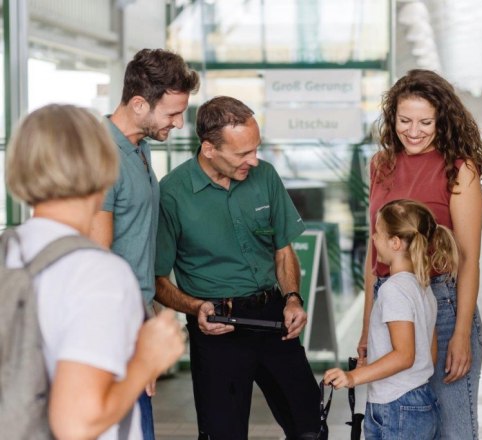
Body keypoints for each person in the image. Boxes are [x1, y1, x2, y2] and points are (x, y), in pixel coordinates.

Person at [4, 104, 184, 439]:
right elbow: (78, 423)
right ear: (103, 166)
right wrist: (147, 359)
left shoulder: (7, 252)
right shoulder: (99, 273)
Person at [154, 96, 320, 440]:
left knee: (310, 426)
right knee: (223, 434)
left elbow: (283, 249)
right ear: (209, 149)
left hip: (274, 319)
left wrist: (293, 298)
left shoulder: (265, 177)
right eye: (242, 153)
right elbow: (156, 279)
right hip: (216, 327)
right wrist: (196, 308)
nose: (254, 160)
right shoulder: (171, 194)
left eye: (256, 149)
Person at [358, 69, 482, 439]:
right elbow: (376, 254)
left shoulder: (459, 170)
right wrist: (367, 328)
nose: (413, 131)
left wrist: (461, 333)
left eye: (425, 122)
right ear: (392, 119)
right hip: (390, 307)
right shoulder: (380, 165)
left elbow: (468, 260)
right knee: (405, 424)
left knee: (453, 430)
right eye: (404, 120)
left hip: (443, 306)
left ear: (441, 121)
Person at [90, 48, 200, 439]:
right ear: (139, 104)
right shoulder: (102, 155)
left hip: (136, 319)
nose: (180, 123)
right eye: (172, 113)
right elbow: (99, 264)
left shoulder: (140, 147)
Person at [326, 199, 458, 439]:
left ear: (395, 243)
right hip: (419, 398)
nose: (374, 239)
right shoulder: (422, 287)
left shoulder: (393, 289)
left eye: (378, 233)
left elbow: (404, 356)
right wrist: (373, 363)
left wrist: (352, 377)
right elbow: (427, 352)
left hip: (396, 405)